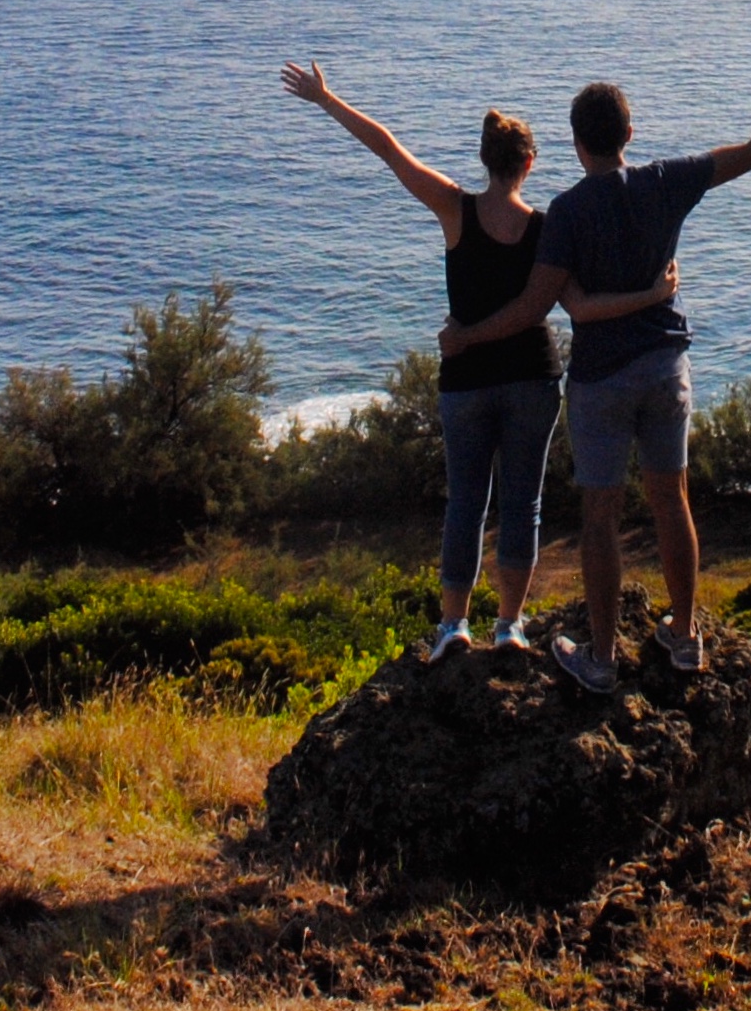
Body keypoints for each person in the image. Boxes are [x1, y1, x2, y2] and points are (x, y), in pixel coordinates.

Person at [438, 52, 751, 694]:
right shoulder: (667, 181)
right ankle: (684, 638)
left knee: (599, 516)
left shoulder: (568, 213)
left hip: (601, 381)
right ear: (629, 134)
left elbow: (541, 306)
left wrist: (466, 336)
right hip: (667, 368)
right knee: (671, 500)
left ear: (577, 144)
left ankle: (601, 659)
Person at [280, 62, 679, 658]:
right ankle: (510, 624)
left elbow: (390, 150)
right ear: (530, 163)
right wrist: (650, 296)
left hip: (465, 383)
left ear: (484, 159)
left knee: (466, 501)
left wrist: (327, 99)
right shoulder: (549, 228)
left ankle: (452, 626)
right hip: (532, 380)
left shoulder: (454, 210)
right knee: (524, 502)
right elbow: (578, 306)